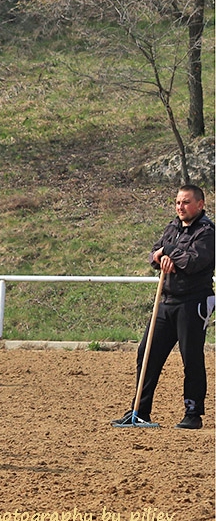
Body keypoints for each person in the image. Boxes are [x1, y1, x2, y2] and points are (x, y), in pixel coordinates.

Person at [114, 184, 213, 429]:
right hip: (166, 301)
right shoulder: (172, 227)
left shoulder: (208, 232)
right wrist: (161, 255)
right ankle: (140, 410)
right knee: (147, 354)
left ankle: (193, 413)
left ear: (199, 205)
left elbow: (192, 262)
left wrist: (168, 251)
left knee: (191, 358)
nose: (181, 207)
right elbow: (152, 255)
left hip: (193, 302)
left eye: (186, 202)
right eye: (178, 202)